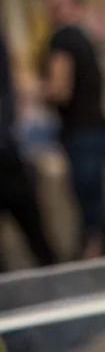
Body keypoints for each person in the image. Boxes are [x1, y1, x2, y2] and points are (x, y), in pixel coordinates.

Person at [40, 0, 105, 258]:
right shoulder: (85, 37)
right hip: (97, 129)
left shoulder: (62, 39)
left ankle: (92, 267)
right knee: (100, 205)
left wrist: (32, 92)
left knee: (89, 209)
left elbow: (60, 89)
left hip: (79, 134)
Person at [0, 30, 57, 271]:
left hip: (7, 159)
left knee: (38, 238)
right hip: (8, 153)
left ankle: (57, 287)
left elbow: (8, 93)